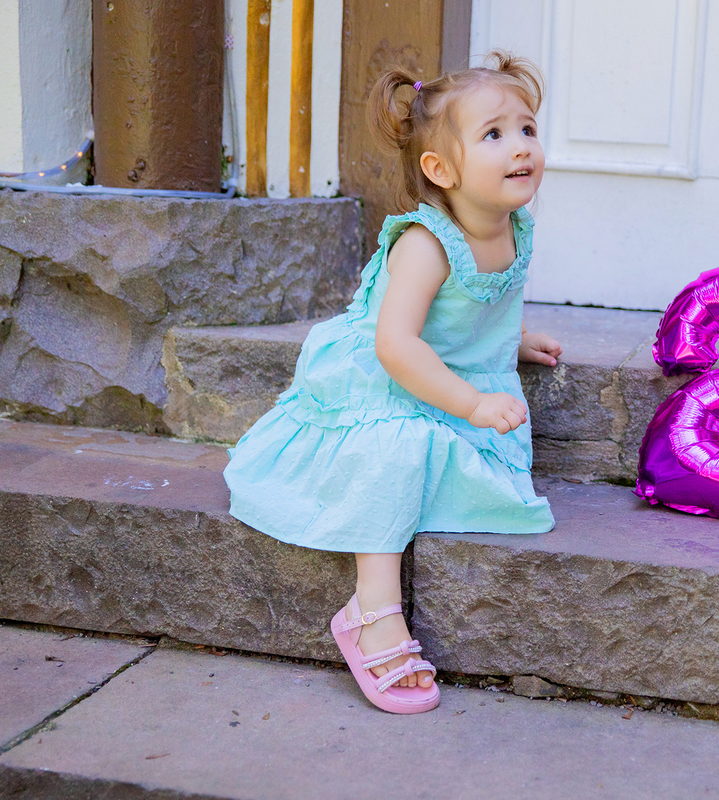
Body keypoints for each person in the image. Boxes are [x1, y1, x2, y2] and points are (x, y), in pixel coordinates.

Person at [223, 51, 562, 714]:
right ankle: (373, 612)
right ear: (440, 169)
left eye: (527, 129)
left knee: (436, 452)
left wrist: (509, 341)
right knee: (394, 453)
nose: (521, 148)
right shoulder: (425, 243)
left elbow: (474, 306)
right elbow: (397, 342)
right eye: (494, 135)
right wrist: (471, 401)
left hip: (447, 364)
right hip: (380, 369)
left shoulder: (513, 224)